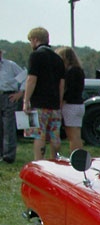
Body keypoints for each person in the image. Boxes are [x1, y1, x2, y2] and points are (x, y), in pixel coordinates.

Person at [22, 27, 65, 161]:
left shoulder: (36, 55)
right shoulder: (58, 58)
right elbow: (61, 83)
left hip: (39, 104)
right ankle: (54, 160)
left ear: (35, 40)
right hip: (54, 104)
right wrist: (59, 101)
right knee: (54, 135)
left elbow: (31, 79)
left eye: (30, 41)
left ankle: (39, 161)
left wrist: (26, 100)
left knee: (38, 135)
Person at [56, 46, 85, 152]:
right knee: (77, 133)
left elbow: (69, 90)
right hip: (79, 105)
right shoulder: (79, 70)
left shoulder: (70, 72)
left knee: (72, 136)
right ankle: (79, 154)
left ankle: (75, 156)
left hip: (70, 105)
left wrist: (61, 102)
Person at [0, 48, 24, 163]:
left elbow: (25, 77)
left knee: (8, 126)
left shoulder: (10, 65)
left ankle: (8, 156)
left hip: (8, 96)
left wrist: (20, 92)